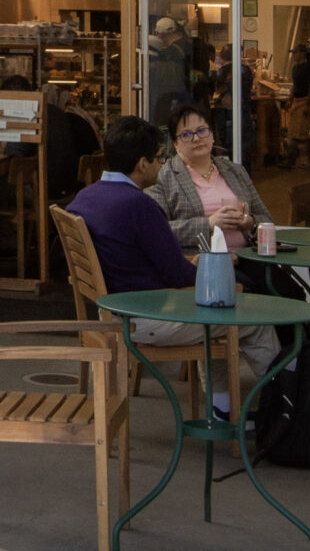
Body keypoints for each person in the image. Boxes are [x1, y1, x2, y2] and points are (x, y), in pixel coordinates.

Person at [66, 116, 278, 388]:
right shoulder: (139, 206)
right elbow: (178, 275)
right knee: (254, 319)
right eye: (159, 158)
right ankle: (283, 401)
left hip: (113, 310)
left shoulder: (83, 199)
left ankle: (222, 404)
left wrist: (192, 265)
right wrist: (204, 268)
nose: (162, 164)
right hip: (151, 318)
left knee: (218, 311)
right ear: (143, 164)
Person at [148, 100, 271, 252]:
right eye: (186, 134)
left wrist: (249, 222)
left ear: (212, 134)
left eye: (202, 131)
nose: (196, 138)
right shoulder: (164, 177)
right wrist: (208, 224)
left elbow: (266, 219)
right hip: (198, 260)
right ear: (175, 143)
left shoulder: (235, 171)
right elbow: (156, 229)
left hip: (246, 256)